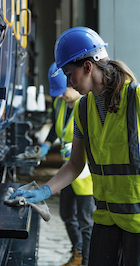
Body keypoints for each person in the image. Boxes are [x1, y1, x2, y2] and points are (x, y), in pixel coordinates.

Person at [11, 27, 140, 266]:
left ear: (88, 66)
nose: (68, 82)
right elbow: (76, 163)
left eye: (69, 73)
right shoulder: (83, 109)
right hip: (107, 221)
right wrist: (45, 191)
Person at [39, 62, 94, 266]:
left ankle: (86, 261)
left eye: (64, 91)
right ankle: (78, 253)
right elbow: (56, 126)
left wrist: (82, 149)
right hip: (68, 169)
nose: (61, 95)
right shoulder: (60, 103)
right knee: (66, 214)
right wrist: (45, 145)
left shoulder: (89, 105)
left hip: (85, 173)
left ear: (73, 82)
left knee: (86, 221)